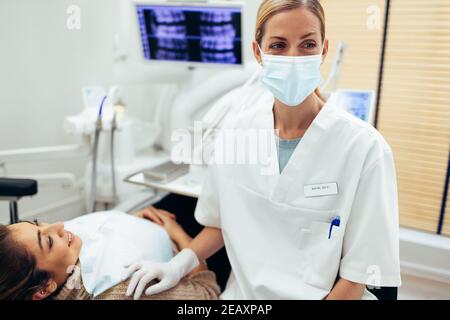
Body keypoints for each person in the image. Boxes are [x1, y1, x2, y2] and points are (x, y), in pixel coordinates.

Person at [124, 0, 401, 300]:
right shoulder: (235, 132)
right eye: (279, 45)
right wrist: (178, 265)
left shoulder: (365, 149)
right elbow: (220, 224)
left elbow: (357, 276)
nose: (294, 58)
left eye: (307, 44)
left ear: (324, 50)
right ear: (258, 52)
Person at [0, 207, 220, 300]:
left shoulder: (64, 258)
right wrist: (178, 234)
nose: (58, 225)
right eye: (47, 240)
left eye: (37, 224)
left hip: (149, 227)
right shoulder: (121, 288)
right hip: (190, 254)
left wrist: (125, 223)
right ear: (44, 288)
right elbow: (207, 292)